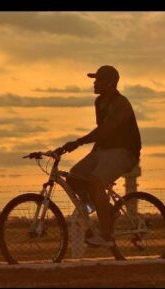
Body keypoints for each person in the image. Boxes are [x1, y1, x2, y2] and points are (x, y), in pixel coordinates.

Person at [61, 65, 142, 247]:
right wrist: (90, 156)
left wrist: (78, 142)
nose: (95, 83)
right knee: (75, 176)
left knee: (96, 182)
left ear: (110, 84)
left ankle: (106, 235)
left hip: (124, 152)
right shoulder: (99, 103)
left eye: (98, 80)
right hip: (104, 151)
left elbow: (105, 130)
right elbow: (102, 136)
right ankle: (103, 209)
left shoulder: (120, 103)